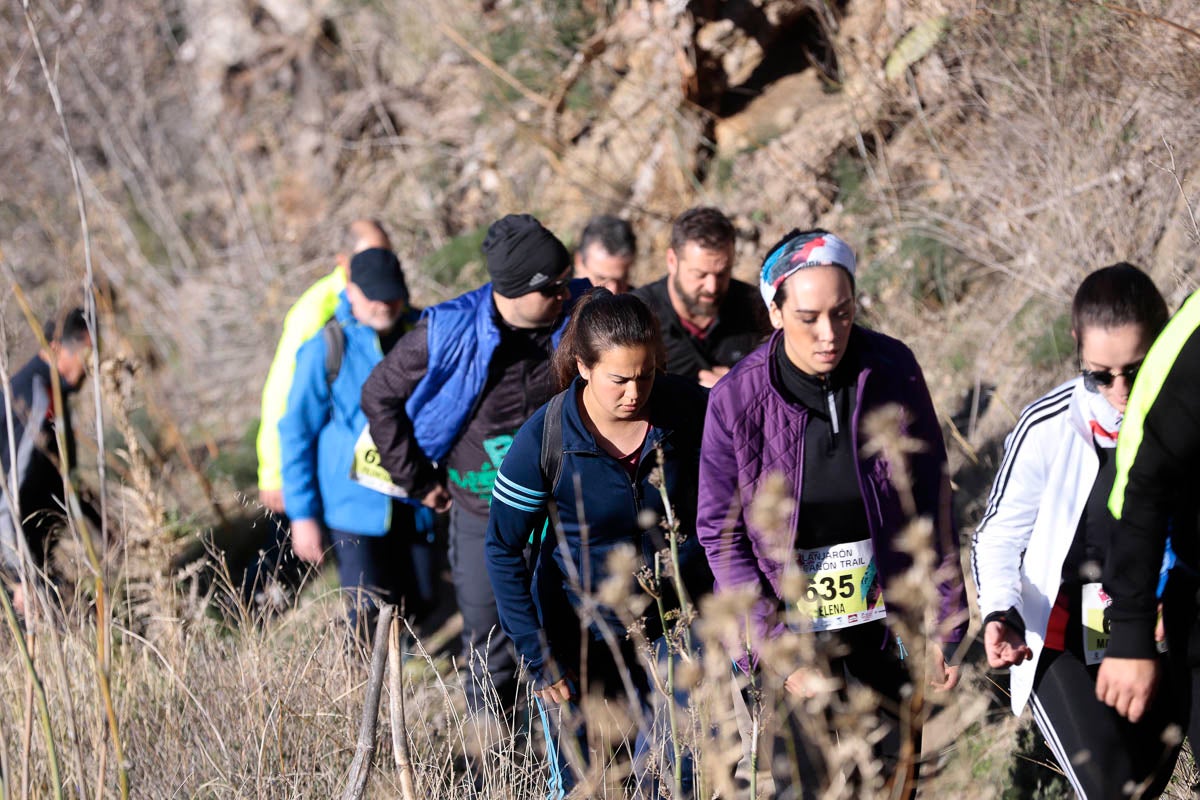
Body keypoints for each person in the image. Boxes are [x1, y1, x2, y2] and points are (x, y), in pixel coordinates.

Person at [695, 229, 966, 798]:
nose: (828, 334)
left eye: (842, 314)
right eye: (808, 317)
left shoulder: (892, 368)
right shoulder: (736, 401)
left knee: (898, 777)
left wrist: (944, 621)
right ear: (775, 312)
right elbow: (721, 536)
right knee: (806, 782)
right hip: (787, 620)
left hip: (887, 613)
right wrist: (772, 646)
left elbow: (931, 496)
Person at [484, 288, 712, 795]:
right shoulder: (543, 440)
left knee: (680, 773)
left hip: (677, 624)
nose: (635, 392)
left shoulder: (689, 409)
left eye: (646, 375)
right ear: (584, 367)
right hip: (580, 637)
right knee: (591, 783)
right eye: (619, 379)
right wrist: (538, 655)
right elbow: (502, 549)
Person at [362, 213, 586, 714]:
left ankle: (578, 765)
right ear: (513, 289)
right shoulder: (449, 329)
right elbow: (379, 395)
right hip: (483, 512)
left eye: (566, 279)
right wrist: (417, 481)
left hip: (567, 509)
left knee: (574, 635)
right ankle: (497, 769)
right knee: (491, 649)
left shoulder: (578, 314)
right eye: (552, 286)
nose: (564, 293)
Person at [973, 264, 1183, 798]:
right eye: (1099, 375)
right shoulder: (1047, 426)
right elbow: (997, 536)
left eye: (1135, 370)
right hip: (1064, 645)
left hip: (1167, 630)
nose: (1119, 391)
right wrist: (1000, 610)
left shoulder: (1187, 414)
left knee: (1147, 783)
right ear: (1077, 350)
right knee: (1113, 789)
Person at [278, 247, 430, 641]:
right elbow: (296, 433)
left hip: (415, 499)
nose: (385, 304)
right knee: (365, 612)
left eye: (392, 294)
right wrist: (302, 515)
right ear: (352, 291)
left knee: (422, 596)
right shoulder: (325, 349)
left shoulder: (423, 331)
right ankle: (365, 687)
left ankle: (411, 671)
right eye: (374, 295)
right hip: (351, 507)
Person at [1097, 287, 1200, 737]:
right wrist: (1131, 632)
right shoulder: (1189, 342)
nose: (1118, 388)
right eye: (1101, 376)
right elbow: (1140, 492)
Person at [0, 308, 96, 615]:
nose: (88, 369)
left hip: (29, 552)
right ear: (56, 349)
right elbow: (7, 496)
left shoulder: (50, 396)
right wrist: (20, 578)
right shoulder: (34, 400)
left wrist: (99, 523)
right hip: (11, 556)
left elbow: (58, 477)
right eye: (86, 356)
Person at [632, 206, 769, 388]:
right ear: (672, 261)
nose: (712, 287)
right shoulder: (637, 315)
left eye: (722, 274)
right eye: (700, 275)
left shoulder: (757, 309)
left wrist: (740, 389)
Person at [573, 214, 636, 294]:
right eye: (601, 278)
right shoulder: (556, 303)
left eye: (621, 281)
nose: (613, 290)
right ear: (578, 261)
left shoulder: (642, 303)